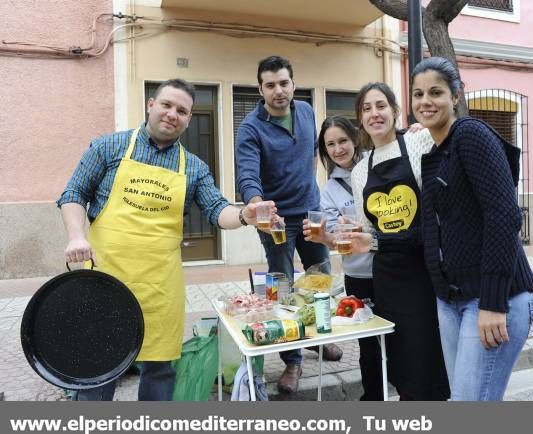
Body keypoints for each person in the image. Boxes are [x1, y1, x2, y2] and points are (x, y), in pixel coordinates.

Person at [57, 78, 276, 401]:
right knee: (100, 367)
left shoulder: (194, 167)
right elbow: (73, 193)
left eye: (182, 111)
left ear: (188, 119)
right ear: (150, 105)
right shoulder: (108, 147)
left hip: (160, 286)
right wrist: (76, 237)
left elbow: (218, 210)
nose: (173, 114)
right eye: (167, 105)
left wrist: (246, 215)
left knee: (159, 369)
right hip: (106, 280)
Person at [413, 57, 533, 400]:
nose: (425, 101)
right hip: (452, 301)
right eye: (418, 94)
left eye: (435, 92)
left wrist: (494, 303)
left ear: (456, 95)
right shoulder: (435, 154)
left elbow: (503, 215)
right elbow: (435, 229)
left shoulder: (470, 134)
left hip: (494, 300)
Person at [235, 55, 342, 394]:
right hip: (277, 220)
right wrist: (256, 204)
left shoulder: (307, 112)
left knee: (319, 281)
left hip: (310, 213)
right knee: (281, 288)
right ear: (261, 89)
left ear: (293, 84)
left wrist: (312, 191)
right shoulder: (251, 127)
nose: (278, 90)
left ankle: (318, 338)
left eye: (284, 83)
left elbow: (312, 155)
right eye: (270, 85)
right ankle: (292, 359)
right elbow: (248, 174)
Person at [346, 82, 450, 400]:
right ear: (360, 119)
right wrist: (350, 237)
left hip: (423, 273)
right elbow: (369, 232)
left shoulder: (418, 142)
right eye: (367, 108)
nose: (374, 113)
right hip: (387, 279)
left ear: (394, 111)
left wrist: (426, 126)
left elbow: (437, 215)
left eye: (381, 106)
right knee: (400, 361)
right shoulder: (360, 171)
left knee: (426, 359)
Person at [302, 115, 383, 400]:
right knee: (368, 346)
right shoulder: (330, 191)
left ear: (355, 139)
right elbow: (339, 240)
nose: (338, 149)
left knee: (399, 340)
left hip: (392, 270)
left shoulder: (378, 166)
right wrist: (325, 238)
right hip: (359, 277)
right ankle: (373, 400)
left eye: (343, 141)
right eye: (330, 145)